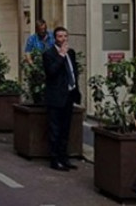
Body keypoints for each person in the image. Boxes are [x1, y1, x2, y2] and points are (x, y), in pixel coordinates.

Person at [43, 26, 81, 172]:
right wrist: (61, 56)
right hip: (55, 97)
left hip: (69, 95)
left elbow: (73, 72)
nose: (63, 39)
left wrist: (76, 89)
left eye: (65, 36)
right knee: (55, 129)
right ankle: (54, 159)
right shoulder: (49, 54)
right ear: (55, 38)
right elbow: (51, 72)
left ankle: (64, 158)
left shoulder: (71, 53)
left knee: (66, 129)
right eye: (60, 36)